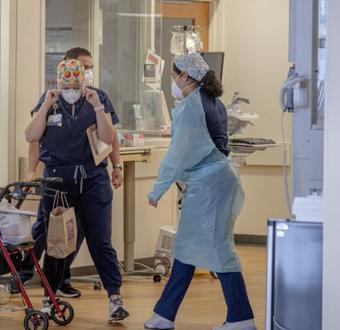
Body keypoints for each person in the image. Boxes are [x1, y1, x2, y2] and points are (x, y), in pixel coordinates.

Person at [144, 53, 256, 330]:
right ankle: (164, 315)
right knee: (189, 248)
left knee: (217, 250)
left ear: (186, 76)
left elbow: (178, 154)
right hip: (216, 180)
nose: (172, 82)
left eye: (173, 76)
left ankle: (241, 318)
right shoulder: (211, 102)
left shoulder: (191, 106)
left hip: (210, 186)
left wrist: (158, 188)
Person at [24, 59, 129, 322]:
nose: (71, 85)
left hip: (93, 179)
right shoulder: (50, 100)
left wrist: (97, 106)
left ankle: (115, 298)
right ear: (58, 80)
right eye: (66, 80)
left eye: (76, 79)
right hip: (58, 181)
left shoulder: (98, 98)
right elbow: (31, 136)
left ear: (83, 79)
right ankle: (49, 297)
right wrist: (47, 104)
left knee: (100, 241)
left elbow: (108, 137)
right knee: (57, 242)